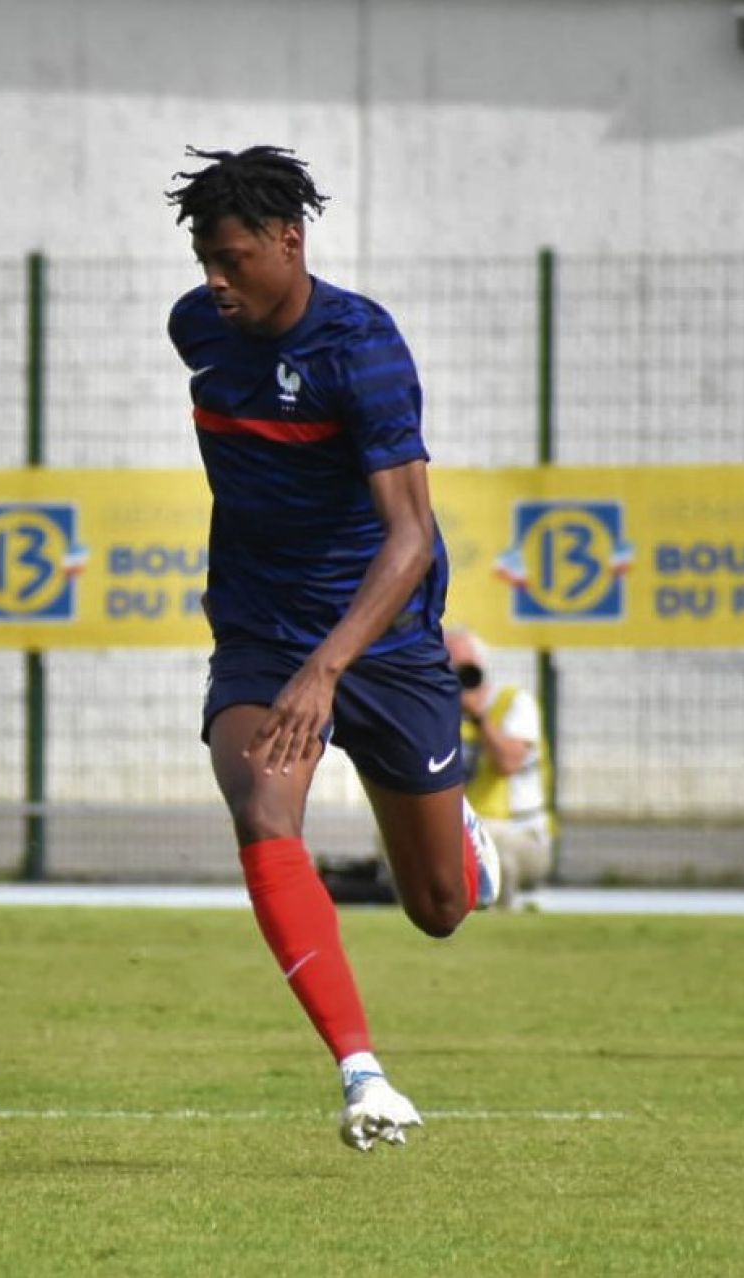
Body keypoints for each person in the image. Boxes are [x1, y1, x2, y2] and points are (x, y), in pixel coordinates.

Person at [165, 147, 501, 1151]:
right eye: (200, 259)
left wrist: (328, 668)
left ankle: (463, 850)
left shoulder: (361, 347)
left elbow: (409, 537)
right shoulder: (196, 330)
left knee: (436, 909)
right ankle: (362, 1076)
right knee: (260, 803)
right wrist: (288, 658)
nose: (211, 281)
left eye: (229, 258)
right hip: (262, 629)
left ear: (287, 240)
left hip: (383, 637)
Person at [447, 626, 554, 906]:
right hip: (460, 832)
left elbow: (508, 762)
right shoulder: (436, 712)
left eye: (464, 669)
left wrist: (479, 717)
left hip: (520, 833)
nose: (456, 677)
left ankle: (504, 924)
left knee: (495, 851)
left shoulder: (514, 704)